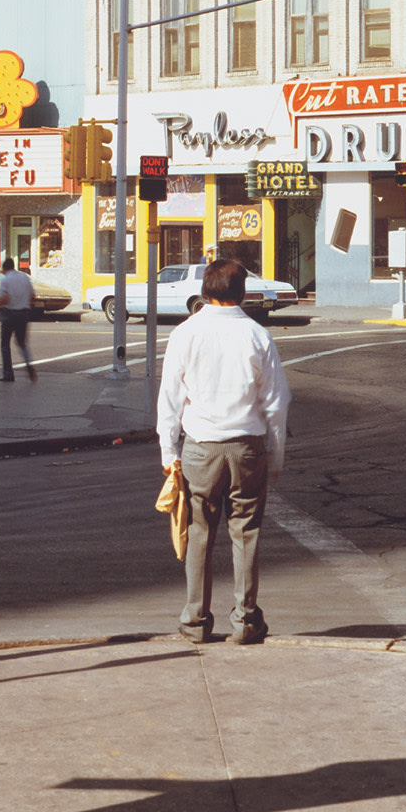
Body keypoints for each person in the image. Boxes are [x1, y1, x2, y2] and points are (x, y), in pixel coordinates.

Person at [155, 258, 290, 646]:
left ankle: (196, 621)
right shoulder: (258, 336)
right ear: (242, 293)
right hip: (247, 447)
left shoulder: (185, 333)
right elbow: (276, 402)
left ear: (205, 291)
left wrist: (169, 452)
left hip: (200, 448)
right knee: (245, 532)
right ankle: (246, 621)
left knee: (199, 533)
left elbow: (170, 399)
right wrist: (276, 454)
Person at [0, 257, 37, 383]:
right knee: (22, 343)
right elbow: (32, 296)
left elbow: (1, 298)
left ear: (4, 268)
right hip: (23, 313)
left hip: (8, 313)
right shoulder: (25, 278)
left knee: (5, 344)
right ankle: (28, 364)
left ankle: (8, 374)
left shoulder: (5, 280)